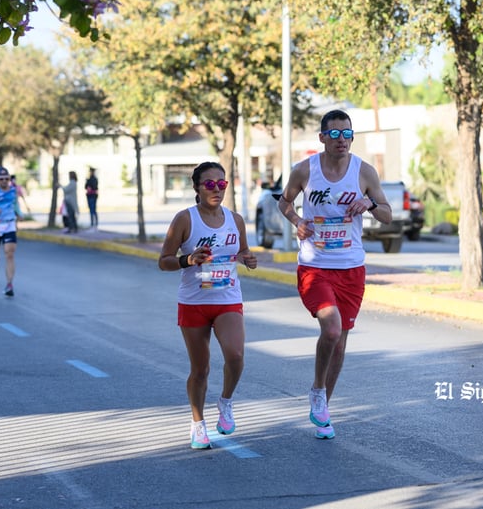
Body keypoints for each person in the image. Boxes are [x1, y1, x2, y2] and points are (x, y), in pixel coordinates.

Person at [277, 109, 392, 440]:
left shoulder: (364, 171)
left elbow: (387, 215)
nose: (342, 140)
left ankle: (323, 408)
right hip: (315, 265)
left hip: (351, 268)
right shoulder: (305, 170)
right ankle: (317, 389)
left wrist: (369, 205)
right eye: (335, 134)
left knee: (340, 343)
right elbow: (284, 203)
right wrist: (298, 222)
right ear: (322, 138)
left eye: (347, 134)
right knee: (331, 329)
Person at [158, 161, 258, 450]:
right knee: (200, 369)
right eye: (209, 184)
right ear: (197, 188)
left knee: (236, 355)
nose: (216, 189)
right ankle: (198, 424)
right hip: (193, 303)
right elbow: (163, 261)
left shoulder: (235, 220)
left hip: (227, 297)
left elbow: (242, 251)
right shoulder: (185, 219)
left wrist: (248, 259)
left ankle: (225, 401)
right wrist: (187, 260)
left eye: (222, 184)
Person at [0, 167, 24, 297]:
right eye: (1, 179)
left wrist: (20, 214)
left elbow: (15, 205)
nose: (4, 181)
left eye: (7, 178)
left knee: (10, 254)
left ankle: (9, 284)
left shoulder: (13, 191)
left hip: (9, 224)